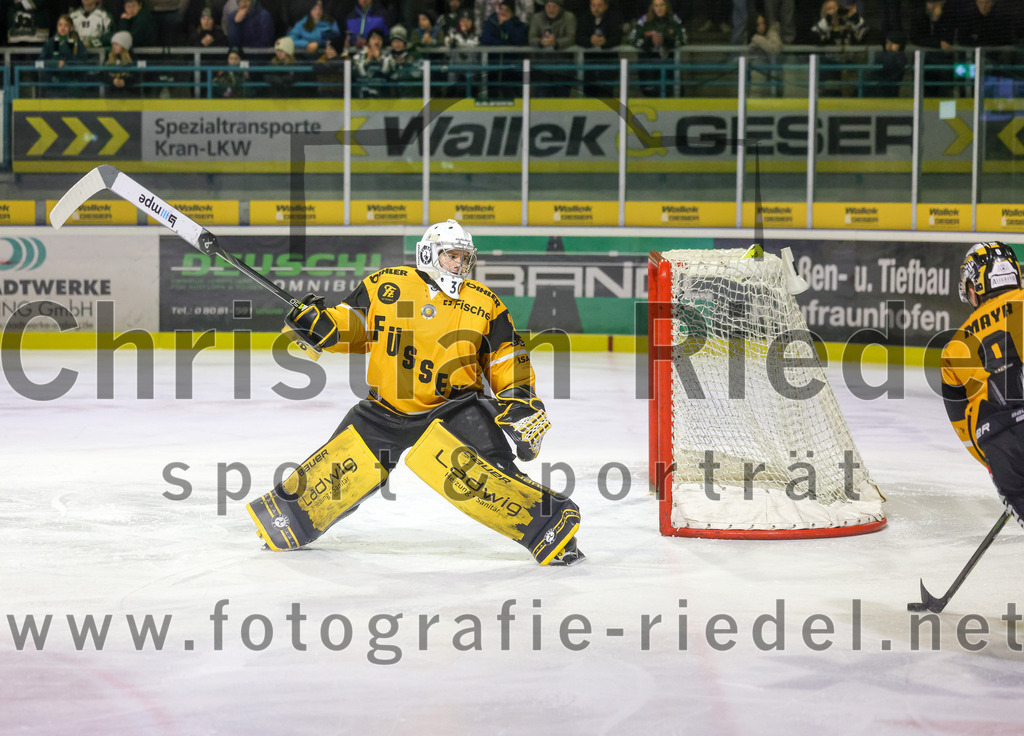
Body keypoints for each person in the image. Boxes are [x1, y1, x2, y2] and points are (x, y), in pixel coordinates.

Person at [247, 220, 584, 566]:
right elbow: (356, 326)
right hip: (384, 411)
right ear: (428, 253)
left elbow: (507, 358)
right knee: (338, 474)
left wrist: (519, 401)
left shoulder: (485, 303)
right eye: (452, 256)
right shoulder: (385, 284)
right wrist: (325, 325)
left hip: (455, 408)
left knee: (491, 477)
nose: (460, 265)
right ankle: (288, 519)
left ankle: (553, 530)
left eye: (464, 258)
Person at [942, 242, 1024, 532]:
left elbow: (964, 427)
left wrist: (995, 461)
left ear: (974, 287)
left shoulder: (957, 347)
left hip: (1000, 443)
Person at [630, 0, 685, 98]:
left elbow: (683, 39)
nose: (659, 9)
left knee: (672, 91)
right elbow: (633, 39)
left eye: (662, 5)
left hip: (668, 65)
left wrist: (666, 41)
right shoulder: (645, 20)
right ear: (652, 7)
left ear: (667, 6)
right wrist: (650, 42)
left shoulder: (674, 20)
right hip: (648, 66)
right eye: (656, 6)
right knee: (650, 91)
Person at [574, 0, 622, 98]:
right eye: (593, 5)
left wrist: (605, 42)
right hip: (590, 64)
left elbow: (618, 37)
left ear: (606, 6)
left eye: (599, 5)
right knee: (589, 93)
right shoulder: (584, 18)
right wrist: (590, 41)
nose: (596, 9)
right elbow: (578, 38)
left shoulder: (614, 18)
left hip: (608, 63)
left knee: (607, 93)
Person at [480, 0, 527, 98]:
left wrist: (507, 23)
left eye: (507, 10)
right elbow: (485, 40)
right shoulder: (491, 22)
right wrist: (505, 44)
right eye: (501, 9)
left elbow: (519, 40)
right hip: (492, 73)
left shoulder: (517, 24)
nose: (503, 13)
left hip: (512, 74)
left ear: (512, 14)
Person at [385, 24, 423, 96]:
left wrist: (407, 63)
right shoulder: (388, 54)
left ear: (405, 41)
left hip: (412, 91)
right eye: (394, 41)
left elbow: (419, 74)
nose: (397, 44)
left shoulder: (414, 53)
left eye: (400, 41)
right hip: (394, 94)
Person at [105, 29, 136, 95]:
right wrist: (113, 81)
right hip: (112, 95)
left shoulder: (132, 58)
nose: (113, 46)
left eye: (116, 44)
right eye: (113, 44)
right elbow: (102, 74)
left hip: (130, 95)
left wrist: (125, 82)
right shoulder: (109, 56)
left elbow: (138, 75)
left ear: (124, 45)